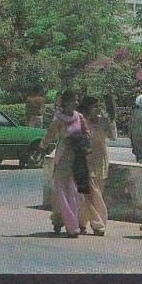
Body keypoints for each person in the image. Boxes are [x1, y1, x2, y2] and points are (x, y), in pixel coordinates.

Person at [43, 90, 90, 238]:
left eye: (77, 100)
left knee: (74, 192)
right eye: (73, 100)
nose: (76, 103)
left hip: (77, 158)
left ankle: (59, 220)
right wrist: (42, 147)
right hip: (63, 157)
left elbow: (87, 134)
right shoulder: (58, 119)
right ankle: (71, 226)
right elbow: (49, 135)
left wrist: (81, 142)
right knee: (62, 192)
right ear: (66, 103)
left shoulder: (79, 117)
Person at [78, 95, 117, 236]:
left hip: (101, 158)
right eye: (94, 106)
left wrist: (110, 121)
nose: (97, 109)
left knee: (97, 192)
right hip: (86, 159)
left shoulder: (103, 120)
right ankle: (98, 223)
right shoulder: (81, 121)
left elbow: (113, 137)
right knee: (91, 193)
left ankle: (80, 221)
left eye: (98, 106)